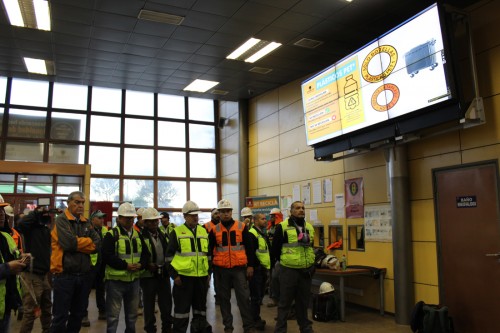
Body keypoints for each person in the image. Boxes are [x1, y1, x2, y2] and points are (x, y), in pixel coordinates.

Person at [50, 191, 101, 333]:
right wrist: (87, 243)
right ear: (69, 203)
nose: (80, 205)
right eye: (77, 202)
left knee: (78, 316)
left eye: (82, 202)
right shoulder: (61, 220)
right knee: (60, 317)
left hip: (83, 276)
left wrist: (80, 243)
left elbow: (97, 244)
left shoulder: (86, 222)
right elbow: (69, 244)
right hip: (64, 276)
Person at [209, 199, 257, 333]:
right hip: (221, 270)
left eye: (228, 211)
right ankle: (228, 327)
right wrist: (210, 270)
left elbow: (250, 248)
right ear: (219, 213)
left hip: (239, 269)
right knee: (224, 300)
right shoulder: (214, 230)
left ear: (231, 212)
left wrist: (250, 266)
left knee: (244, 299)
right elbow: (209, 251)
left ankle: (248, 326)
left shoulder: (242, 227)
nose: (225, 214)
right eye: (223, 212)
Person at [102, 202, 150, 333]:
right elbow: (107, 256)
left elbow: (146, 254)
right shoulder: (112, 235)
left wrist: (141, 264)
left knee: (132, 316)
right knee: (113, 317)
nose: (130, 220)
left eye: (131, 217)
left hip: (134, 281)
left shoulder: (137, 234)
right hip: (115, 282)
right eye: (126, 217)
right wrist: (125, 266)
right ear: (119, 218)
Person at [166, 201, 211, 333]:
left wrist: (209, 273)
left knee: (200, 312)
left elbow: (208, 256)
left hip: (201, 279)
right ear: (185, 216)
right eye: (192, 215)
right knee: (181, 313)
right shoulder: (177, 232)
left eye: (196, 215)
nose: (195, 217)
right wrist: (174, 276)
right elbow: (169, 257)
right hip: (183, 279)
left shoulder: (203, 232)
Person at [271, 201, 315, 333]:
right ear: (291, 211)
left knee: (303, 303)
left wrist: (312, 266)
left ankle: (305, 328)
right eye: (297, 208)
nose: (301, 210)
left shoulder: (310, 228)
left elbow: (311, 248)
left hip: (305, 271)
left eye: (303, 208)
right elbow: (275, 251)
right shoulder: (282, 227)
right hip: (288, 270)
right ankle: (280, 330)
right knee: (284, 303)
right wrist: (286, 262)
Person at [17, 207, 53, 333]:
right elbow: (21, 223)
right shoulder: (29, 229)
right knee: (30, 312)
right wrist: (37, 212)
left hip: (43, 275)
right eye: (44, 214)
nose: (46, 216)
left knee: (47, 308)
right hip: (31, 275)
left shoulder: (45, 230)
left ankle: (47, 330)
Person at [140, 207, 172, 333]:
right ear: (145, 222)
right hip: (148, 276)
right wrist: (147, 265)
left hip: (163, 275)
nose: (154, 223)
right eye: (151, 221)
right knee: (149, 306)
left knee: (166, 304)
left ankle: (167, 328)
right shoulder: (140, 237)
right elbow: (139, 255)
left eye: (156, 221)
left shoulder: (163, 235)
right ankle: (150, 329)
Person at [0, 195, 28, 332]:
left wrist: (22, 259)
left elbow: (14, 256)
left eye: (2, 211)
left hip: (5, 303)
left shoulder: (6, 236)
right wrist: (8, 268)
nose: (2, 214)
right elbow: (8, 266)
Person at [82, 210, 109, 326]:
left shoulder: (104, 230)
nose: (102, 220)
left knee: (101, 289)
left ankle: (102, 311)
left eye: (103, 218)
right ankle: (83, 315)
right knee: (85, 290)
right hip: (90, 264)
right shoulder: (87, 230)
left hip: (101, 264)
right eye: (99, 218)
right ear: (92, 220)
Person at [248, 213, 272, 331]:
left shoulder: (262, 233)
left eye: (265, 219)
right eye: (262, 219)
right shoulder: (252, 234)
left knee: (260, 296)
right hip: (257, 269)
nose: (265, 221)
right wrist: (254, 266)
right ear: (255, 221)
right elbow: (251, 253)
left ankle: (255, 317)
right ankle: (254, 320)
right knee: (255, 296)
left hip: (263, 269)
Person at [266, 207, 282, 308]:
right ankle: (273, 297)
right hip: (270, 255)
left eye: (273, 216)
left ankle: (277, 298)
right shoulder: (269, 228)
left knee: (276, 278)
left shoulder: (281, 227)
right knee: (271, 278)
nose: (271, 218)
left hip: (279, 256)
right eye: (270, 216)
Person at [203, 208, 220, 305]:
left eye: (218, 213)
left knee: (218, 280)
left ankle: (218, 297)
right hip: (208, 256)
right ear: (211, 215)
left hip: (218, 256)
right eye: (215, 213)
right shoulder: (205, 226)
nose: (217, 215)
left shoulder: (222, 226)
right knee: (206, 278)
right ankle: (202, 299)